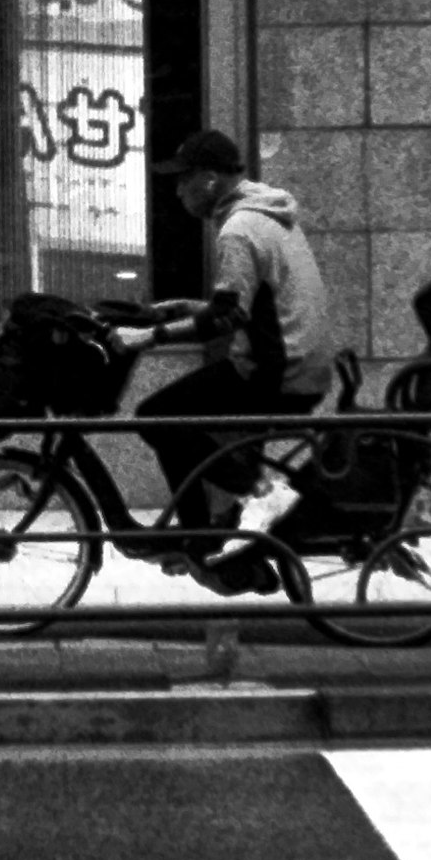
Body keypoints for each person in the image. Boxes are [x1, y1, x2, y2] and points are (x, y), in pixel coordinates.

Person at [114, 129, 337, 573]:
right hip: (301, 364)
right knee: (174, 416)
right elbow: (251, 305)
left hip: (276, 374)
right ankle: (201, 534)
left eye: (184, 180)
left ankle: (258, 492)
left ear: (211, 179)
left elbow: (227, 318)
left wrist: (146, 338)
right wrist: (186, 309)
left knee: (156, 416)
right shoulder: (266, 215)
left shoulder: (238, 228)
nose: (177, 190)